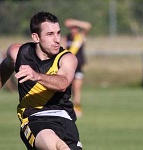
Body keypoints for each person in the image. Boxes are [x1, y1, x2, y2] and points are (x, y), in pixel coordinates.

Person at [0, 12, 82, 150]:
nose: (57, 39)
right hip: (34, 118)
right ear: (36, 37)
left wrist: (36, 76)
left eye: (58, 33)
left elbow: (63, 83)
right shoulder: (18, 53)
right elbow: (4, 70)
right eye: (50, 34)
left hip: (65, 120)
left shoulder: (67, 58)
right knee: (56, 146)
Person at [63, 18, 92, 118]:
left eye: (75, 28)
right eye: (71, 28)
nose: (73, 30)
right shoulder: (67, 38)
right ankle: (67, 108)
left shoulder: (81, 37)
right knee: (67, 89)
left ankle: (77, 108)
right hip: (68, 68)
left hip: (78, 67)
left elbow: (88, 26)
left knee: (77, 89)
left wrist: (74, 22)